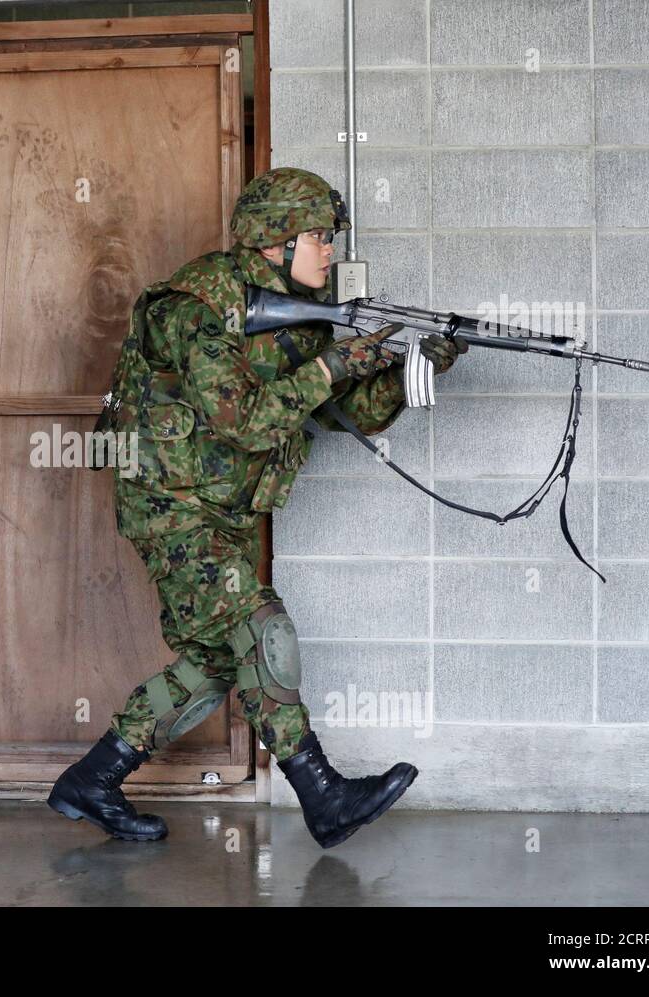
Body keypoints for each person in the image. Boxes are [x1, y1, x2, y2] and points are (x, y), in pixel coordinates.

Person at [48, 167, 466, 846]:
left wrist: (409, 370)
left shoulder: (299, 315)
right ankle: (321, 791)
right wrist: (337, 362)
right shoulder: (195, 306)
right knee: (263, 627)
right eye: (319, 238)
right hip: (172, 505)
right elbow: (241, 421)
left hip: (224, 511)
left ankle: (92, 780)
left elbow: (345, 413)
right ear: (274, 243)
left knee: (215, 663)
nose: (330, 252)